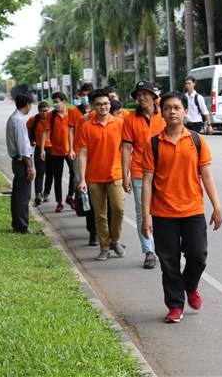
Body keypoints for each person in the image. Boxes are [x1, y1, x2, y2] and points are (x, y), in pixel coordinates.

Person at [141, 91, 222, 323]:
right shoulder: (153, 144)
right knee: (169, 263)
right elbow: (147, 181)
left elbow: (207, 175)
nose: (172, 112)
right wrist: (146, 216)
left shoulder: (196, 140)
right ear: (162, 113)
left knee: (198, 256)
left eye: (177, 108)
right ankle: (175, 306)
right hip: (163, 213)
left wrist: (216, 206)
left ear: (186, 112)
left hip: (192, 210)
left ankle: (190, 286)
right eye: (167, 108)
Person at [78, 89, 126, 261]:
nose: (103, 107)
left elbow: (127, 151)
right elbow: (83, 154)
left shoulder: (120, 124)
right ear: (93, 106)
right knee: (100, 214)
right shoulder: (86, 127)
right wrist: (82, 179)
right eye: (99, 104)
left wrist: (126, 174)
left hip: (116, 174)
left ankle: (116, 240)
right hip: (94, 177)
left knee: (119, 209)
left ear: (110, 104)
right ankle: (104, 246)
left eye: (106, 104)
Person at [122, 81, 166, 269]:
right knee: (143, 212)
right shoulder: (130, 119)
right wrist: (125, 175)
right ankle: (149, 251)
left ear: (153, 96)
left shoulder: (164, 115)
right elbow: (126, 148)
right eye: (139, 95)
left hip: (164, 172)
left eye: (145, 94)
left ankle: (164, 247)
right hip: (140, 172)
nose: (142, 98)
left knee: (164, 211)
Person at [68, 83, 99, 246]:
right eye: (84, 95)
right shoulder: (81, 116)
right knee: (87, 193)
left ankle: (110, 236)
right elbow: (72, 132)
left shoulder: (112, 119)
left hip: (104, 164)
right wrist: (71, 149)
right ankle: (93, 232)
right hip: (84, 156)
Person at [40, 92, 76, 212]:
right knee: (58, 177)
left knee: (74, 173)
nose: (55, 104)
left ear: (64, 101)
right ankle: (59, 202)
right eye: (54, 102)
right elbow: (45, 131)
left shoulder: (72, 113)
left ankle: (70, 196)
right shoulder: (51, 115)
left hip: (70, 150)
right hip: (56, 151)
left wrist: (74, 149)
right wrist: (42, 149)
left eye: (57, 102)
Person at [6, 94, 35, 234]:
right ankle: (22, 226)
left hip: (19, 160)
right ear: (27, 104)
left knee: (19, 194)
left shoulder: (15, 118)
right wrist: (29, 166)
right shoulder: (18, 120)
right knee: (23, 196)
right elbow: (22, 147)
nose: (31, 107)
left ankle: (18, 224)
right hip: (21, 161)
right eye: (31, 105)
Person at [27, 101, 53, 206]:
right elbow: (28, 128)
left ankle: (46, 192)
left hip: (52, 149)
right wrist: (31, 139)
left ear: (48, 110)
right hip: (39, 148)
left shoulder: (52, 119)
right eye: (41, 111)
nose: (44, 113)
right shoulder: (34, 119)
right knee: (40, 171)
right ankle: (38, 194)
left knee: (50, 173)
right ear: (38, 111)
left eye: (46, 111)